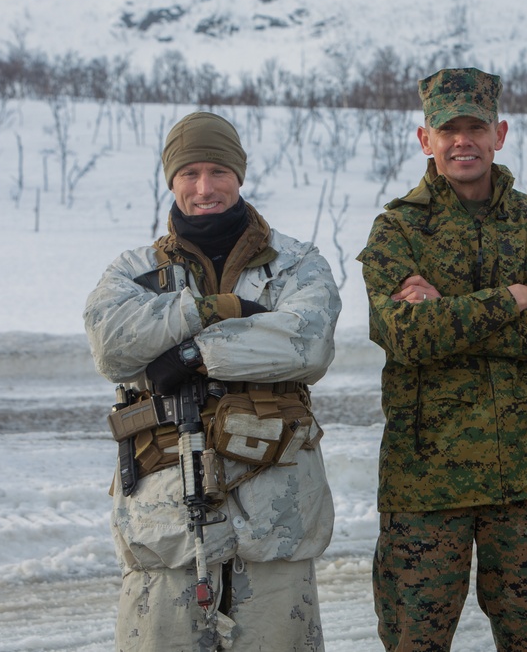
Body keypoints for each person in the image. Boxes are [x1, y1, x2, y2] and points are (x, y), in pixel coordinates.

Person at [84, 111, 341, 651]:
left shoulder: (297, 265)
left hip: (276, 518)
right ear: (172, 180)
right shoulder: (130, 272)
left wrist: (187, 353)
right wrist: (209, 310)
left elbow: (305, 344)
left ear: (239, 175)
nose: (206, 188)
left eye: (219, 171)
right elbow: (112, 347)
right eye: (190, 173)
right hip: (164, 524)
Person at [357, 67, 527, 651]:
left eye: (476, 127)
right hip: (426, 482)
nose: (463, 140)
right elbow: (403, 334)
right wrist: (511, 299)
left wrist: (451, 315)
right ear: (425, 139)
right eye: (448, 128)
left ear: (500, 133)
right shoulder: (398, 230)